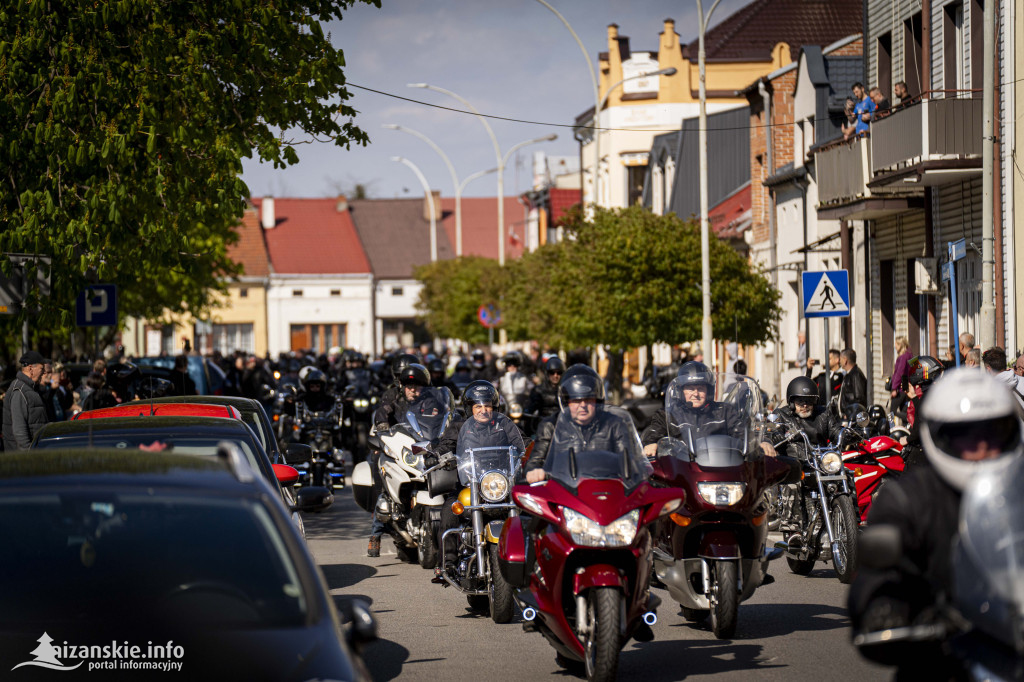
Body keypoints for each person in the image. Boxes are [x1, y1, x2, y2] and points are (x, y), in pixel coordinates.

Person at [849, 370, 1023, 676]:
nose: (982, 447)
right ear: (941, 436)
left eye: (994, 432)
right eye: (966, 435)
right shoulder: (908, 499)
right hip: (941, 655)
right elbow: (875, 579)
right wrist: (884, 607)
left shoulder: (1019, 488)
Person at [435, 380, 524, 578]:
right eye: (478, 406)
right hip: (469, 482)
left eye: (487, 406)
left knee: (528, 508)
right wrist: (438, 455)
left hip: (499, 483)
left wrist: (531, 454)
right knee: (450, 511)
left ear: (494, 407)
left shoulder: (504, 425)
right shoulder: (459, 427)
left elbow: (523, 443)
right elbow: (446, 445)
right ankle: (447, 563)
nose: (483, 410)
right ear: (470, 408)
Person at [640, 362, 776, 459]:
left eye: (700, 388)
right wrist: (650, 444)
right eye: (690, 389)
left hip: (721, 471)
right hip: (682, 473)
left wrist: (762, 442)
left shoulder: (724, 412)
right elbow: (653, 434)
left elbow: (744, 433)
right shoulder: (668, 415)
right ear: (681, 391)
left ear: (709, 391)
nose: (696, 393)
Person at [525, 367, 638, 483]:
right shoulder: (550, 426)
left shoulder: (615, 424)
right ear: (566, 402)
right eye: (576, 400)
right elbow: (535, 462)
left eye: (588, 399)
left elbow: (630, 462)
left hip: (606, 489)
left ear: (597, 400)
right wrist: (535, 473)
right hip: (563, 490)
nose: (583, 405)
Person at [367, 362, 432, 557]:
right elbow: (382, 411)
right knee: (386, 490)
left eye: (417, 387)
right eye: (409, 386)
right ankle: (375, 535)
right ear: (403, 386)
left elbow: (444, 415)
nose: (413, 390)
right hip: (400, 448)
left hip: (424, 448)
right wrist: (382, 424)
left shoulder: (431, 401)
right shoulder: (394, 399)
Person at [770, 376, 839, 450]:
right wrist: (775, 435)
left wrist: (844, 434)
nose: (805, 405)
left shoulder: (824, 413)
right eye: (800, 401)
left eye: (809, 401)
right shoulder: (779, 414)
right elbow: (767, 431)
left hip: (821, 455)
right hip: (791, 457)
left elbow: (835, 430)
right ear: (792, 402)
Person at [899, 355, 944, 466]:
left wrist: (907, 439)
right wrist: (914, 397)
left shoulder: (928, 396)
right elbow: (921, 412)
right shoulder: (934, 393)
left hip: (926, 452)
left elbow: (919, 428)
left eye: (915, 370)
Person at [2, 351, 49, 451]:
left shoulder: (31, 389)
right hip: (23, 457)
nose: (44, 372)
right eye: (42, 369)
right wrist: (28, 455)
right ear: (30, 368)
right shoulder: (19, 390)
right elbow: (19, 431)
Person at [524, 355, 564, 422]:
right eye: (552, 372)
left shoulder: (565, 390)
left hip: (562, 424)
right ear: (547, 373)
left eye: (558, 373)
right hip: (544, 424)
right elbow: (530, 408)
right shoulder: (538, 390)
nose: (555, 375)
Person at [889, 336, 913, 412]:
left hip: (900, 388)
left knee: (892, 412)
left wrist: (894, 388)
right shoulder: (910, 355)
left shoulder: (902, 357)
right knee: (904, 411)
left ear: (900, 345)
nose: (895, 346)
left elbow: (899, 373)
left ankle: (893, 421)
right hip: (908, 388)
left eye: (896, 344)